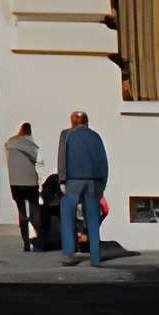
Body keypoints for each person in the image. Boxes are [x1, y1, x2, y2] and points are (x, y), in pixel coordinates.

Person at [55, 109, 110, 264]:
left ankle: (68, 253)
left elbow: (62, 157)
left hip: (73, 180)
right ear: (87, 122)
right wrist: (102, 183)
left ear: (72, 122)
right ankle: (95, 256)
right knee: (92, 217)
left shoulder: (67, 135)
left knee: (67, 214)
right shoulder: (95, 136)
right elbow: (102, 161)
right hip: (93, 181)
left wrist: (62, 180)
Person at [4, 120, 43, 249]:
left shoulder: (10, 143)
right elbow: (38, 160)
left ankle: (25, 242)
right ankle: (39, 239)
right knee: (35, 211)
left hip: (15, 183)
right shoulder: (31, 145)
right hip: (30, 182)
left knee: (21, 212)